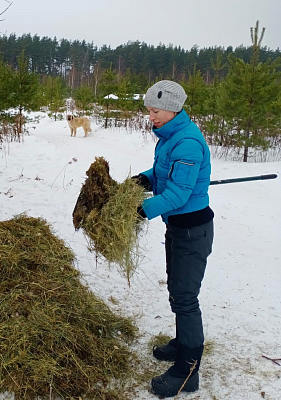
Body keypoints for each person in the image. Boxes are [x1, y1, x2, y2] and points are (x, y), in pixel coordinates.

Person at [132, 80, 214, 397]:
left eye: (154, 110)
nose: (150, 116)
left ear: (172, 108)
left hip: (193, 228)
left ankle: (187, 370)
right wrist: (143, 179)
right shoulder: (170, 137)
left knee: (185, 298)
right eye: (149, 110)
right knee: (177, 290)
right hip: (178, 227)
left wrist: (142, 210)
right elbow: (162, 174)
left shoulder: (188, 143)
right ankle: (182, 343)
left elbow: (178, 194)